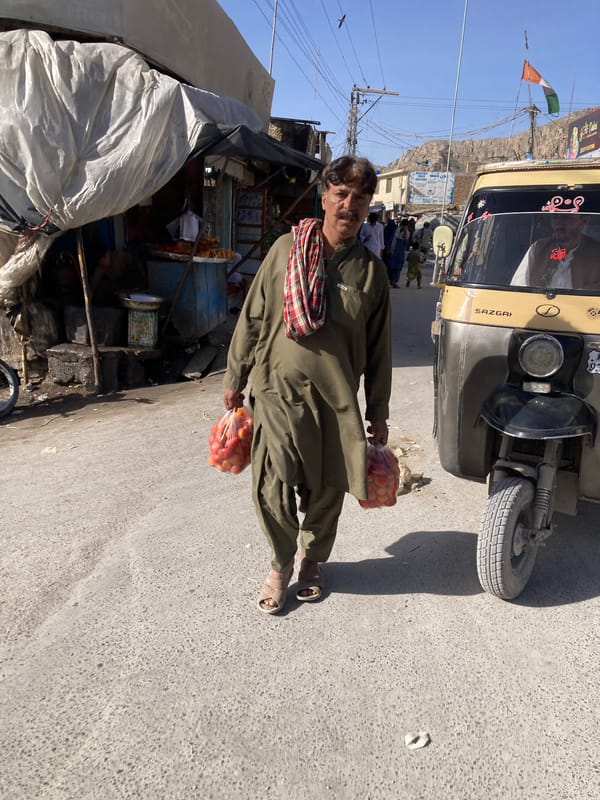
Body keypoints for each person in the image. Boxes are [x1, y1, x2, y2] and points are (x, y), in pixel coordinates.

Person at [223, 156, 392, 615]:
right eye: (341, 194)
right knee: (272, 480)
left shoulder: (372, 274)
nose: (349, 205)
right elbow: (254, 314)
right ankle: (279, 565)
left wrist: (377, 413)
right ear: (324, 197)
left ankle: (312, 560)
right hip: (277, 391)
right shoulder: (285, 250)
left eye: (360, 197)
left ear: (368, 206)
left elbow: (379, 351)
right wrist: (235, 375)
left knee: (327, 488)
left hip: (335, 403)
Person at [510, 213, 600, 289]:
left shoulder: (596, 254)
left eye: (566, 217)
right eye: (554, 217)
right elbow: (518, 287)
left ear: (584, 220)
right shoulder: (539, 248)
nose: (558, 223)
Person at [388, 218, 411, 287]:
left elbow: (406, 240)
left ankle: (395, 281)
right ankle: (391, 280)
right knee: (391, 266)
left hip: (400, 251)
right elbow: (391, 240)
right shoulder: (395, 230)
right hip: (393, 250)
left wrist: (405, 231)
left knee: (398, 266)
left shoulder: (406, 232)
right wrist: (388, 248)